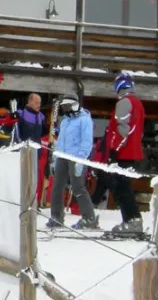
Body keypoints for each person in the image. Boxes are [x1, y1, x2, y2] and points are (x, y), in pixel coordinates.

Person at [46, 95, 99, 230]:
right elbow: (60, 142)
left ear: (73, 105)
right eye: (63, 107)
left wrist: (81, 160)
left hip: (76, 157)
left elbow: (87, 142)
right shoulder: (65, 121)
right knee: (57, 186)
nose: (65, 109)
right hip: (62, 156)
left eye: (67, 106)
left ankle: (89, 218)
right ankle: (56, 216)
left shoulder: (84, 119)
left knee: (78, 187)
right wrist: (55, 159)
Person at [103, 71, 145, 237]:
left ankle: (132, 220)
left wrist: (114, 150)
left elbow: (122, 130)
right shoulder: (137, 103)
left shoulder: (124, 102)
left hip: (123, 153)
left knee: (121, 187)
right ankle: (133, 219)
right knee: (123, 186)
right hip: (132, 152)